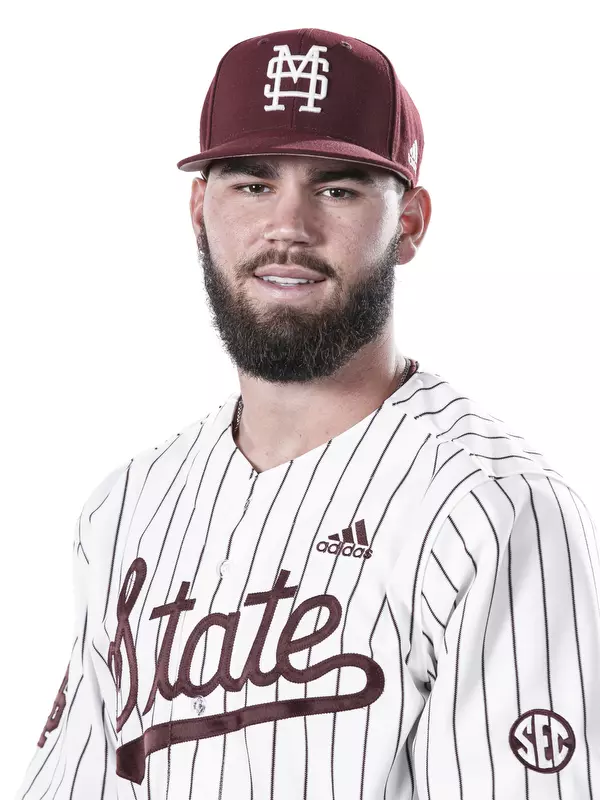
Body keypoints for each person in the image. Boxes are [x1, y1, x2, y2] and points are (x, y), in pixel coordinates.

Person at [15, 26, 600, 800]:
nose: (288, 226)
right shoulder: (125, 507)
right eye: (253, 184)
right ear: (200, 207)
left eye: (337, 187)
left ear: (411, 224)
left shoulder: (490, 508)